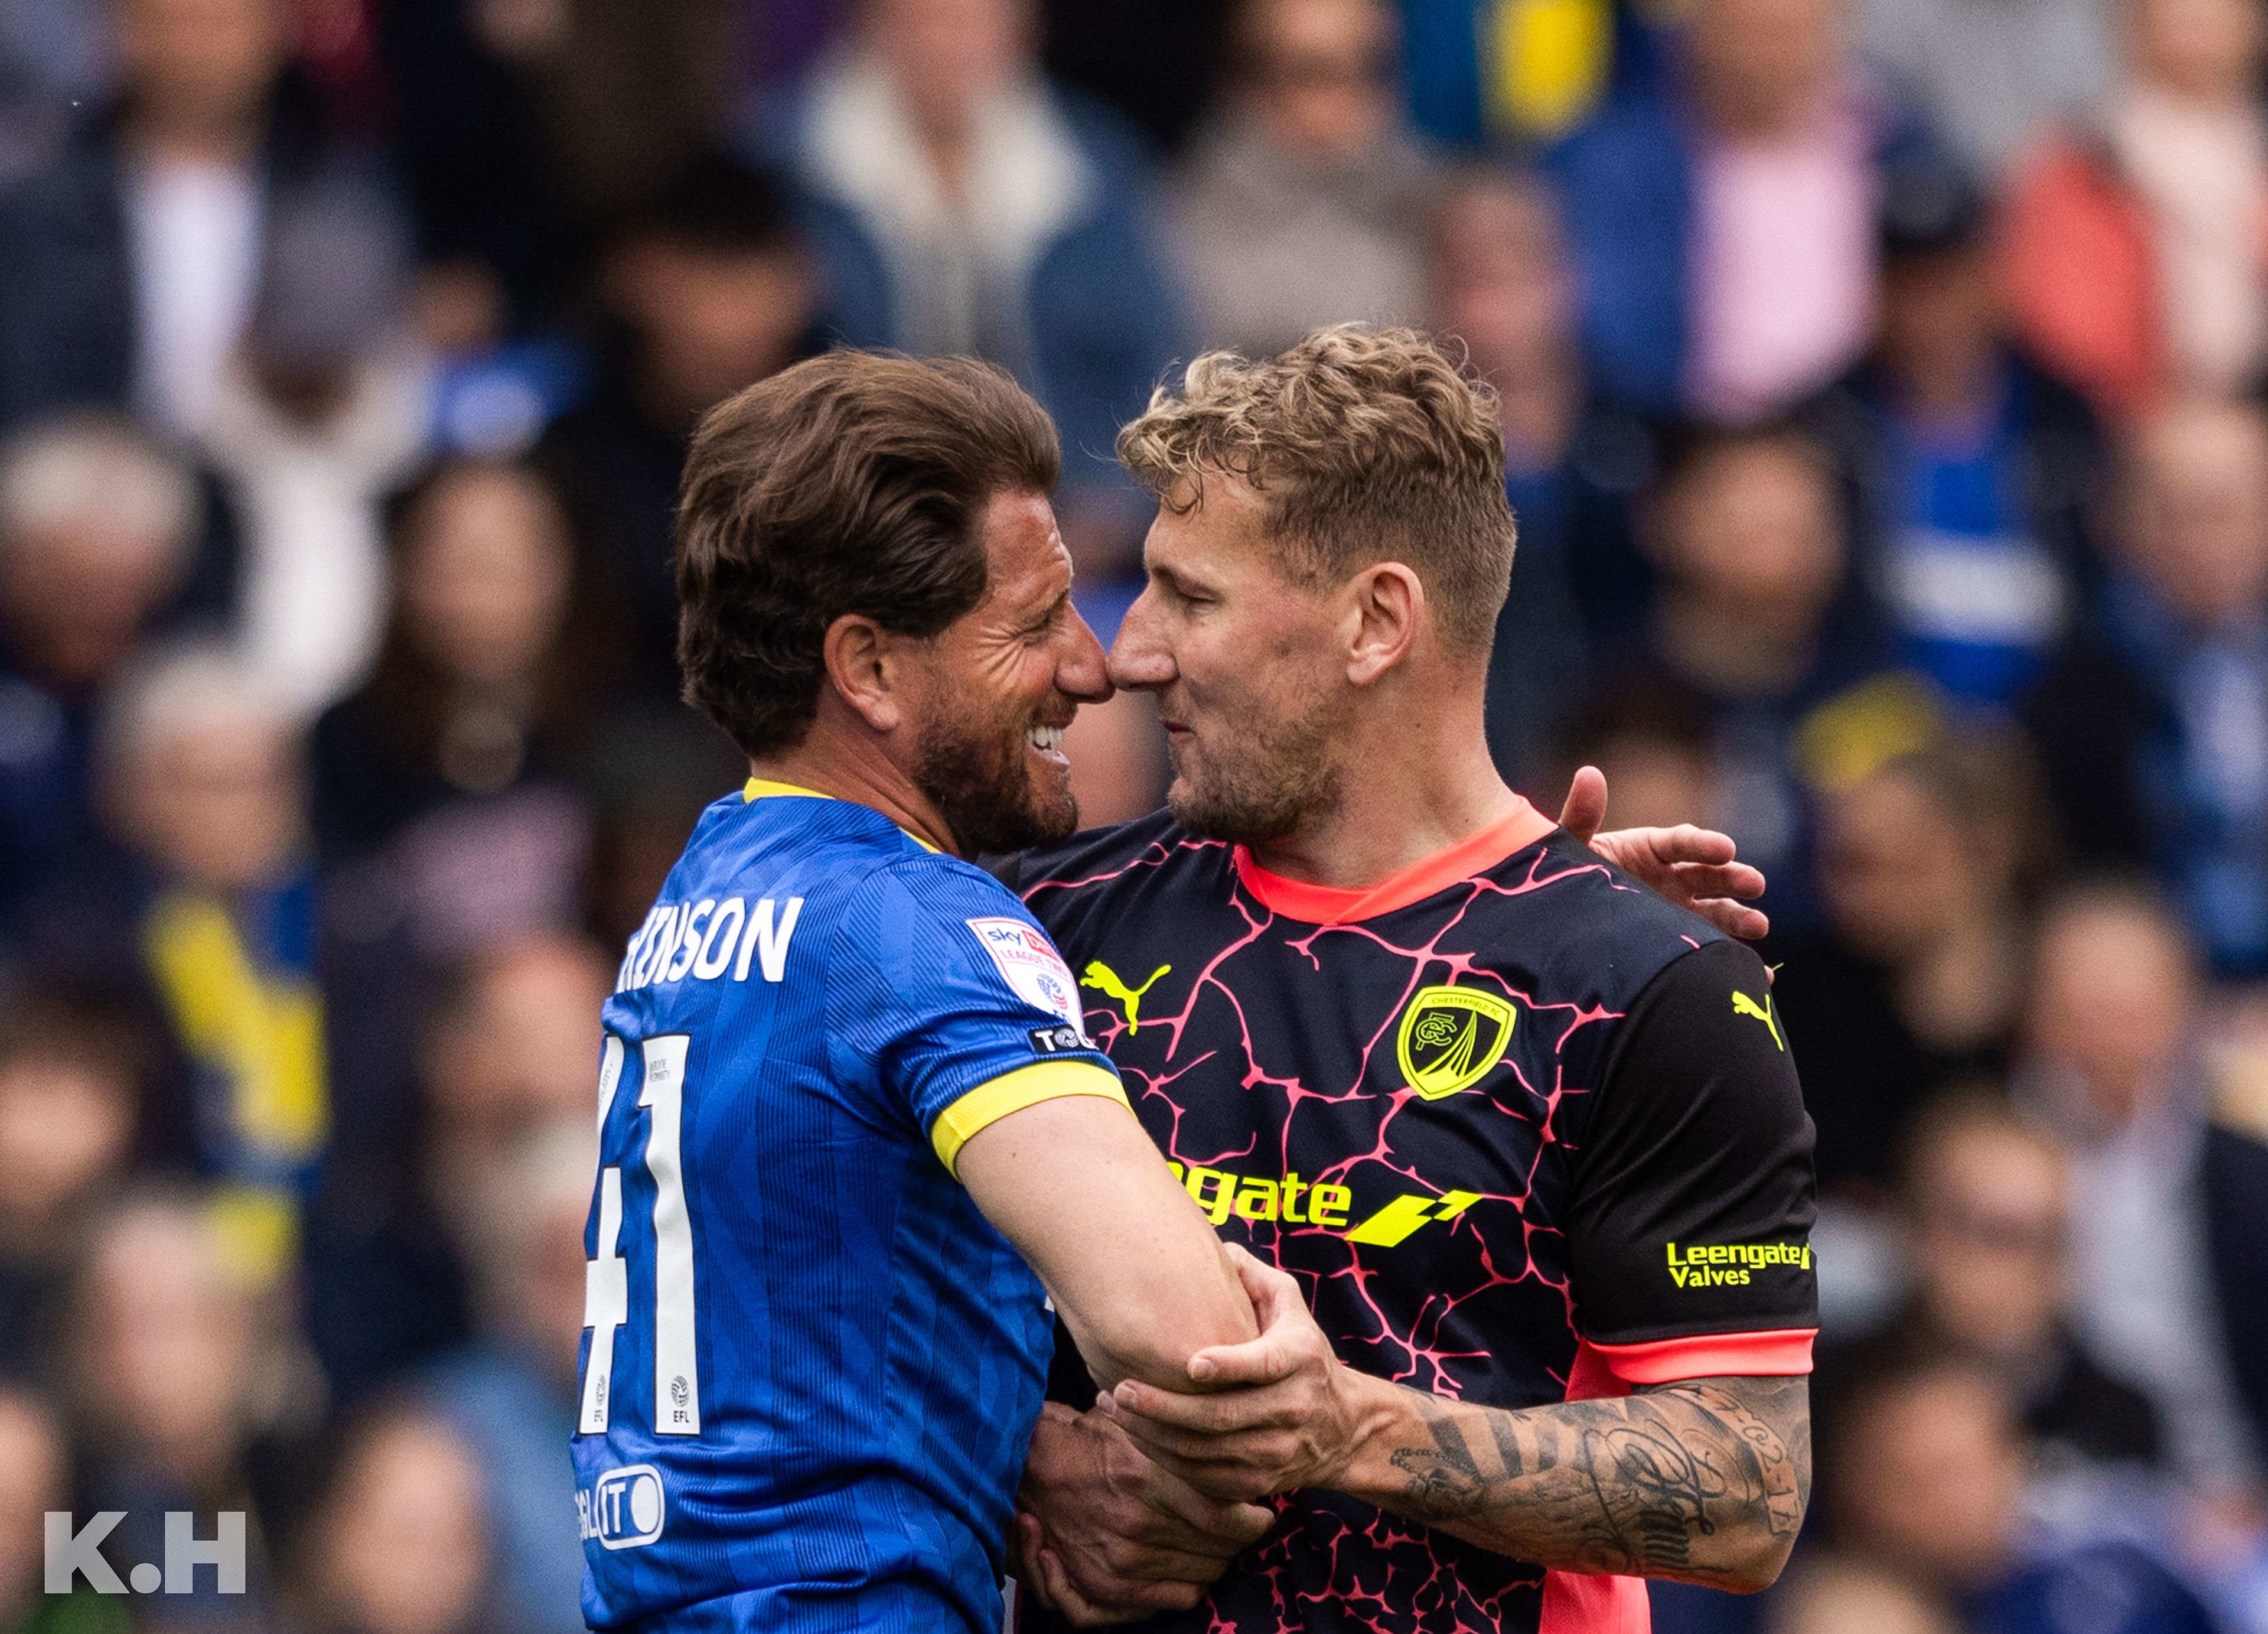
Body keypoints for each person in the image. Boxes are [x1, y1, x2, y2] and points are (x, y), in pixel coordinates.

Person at [997, 327, 1813, 1634]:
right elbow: (840, 1313)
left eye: (1189, 598)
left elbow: (1746, 1493)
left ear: (1377, 622)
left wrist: (1348, 1429)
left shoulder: (1647, 987)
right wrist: (1033, 1466)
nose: (1130, 654)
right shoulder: (1034, 930)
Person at [570, 350, 1266, 1634]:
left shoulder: (701, 897)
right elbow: (1190, 1333)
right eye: (1033, 623)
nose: (1091, 667)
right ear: (870, 669)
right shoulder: (912, 926)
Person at [2000, 0, 2268, 418]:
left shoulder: (2252, 150)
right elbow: (2061, 331)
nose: (2196, 39)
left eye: (2215, 18)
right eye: (2180, 20)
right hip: (2120, 422)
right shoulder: (2080, 161)